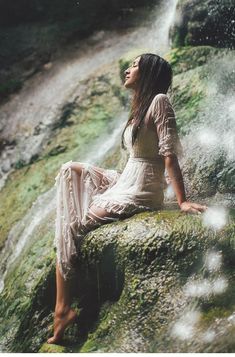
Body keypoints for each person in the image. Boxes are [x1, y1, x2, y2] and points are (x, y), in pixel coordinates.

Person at [47, 53, 207, 344]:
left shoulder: (160, 101)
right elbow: (134, 158)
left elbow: (168, 155)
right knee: (69, 170)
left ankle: (63, 310)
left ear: (148, 73)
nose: (127, 69)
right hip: (125, 180)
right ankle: (62, 308)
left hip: (141, 190)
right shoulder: (139, 108)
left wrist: (182, 201)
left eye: (134, 65)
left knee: (74, 226)